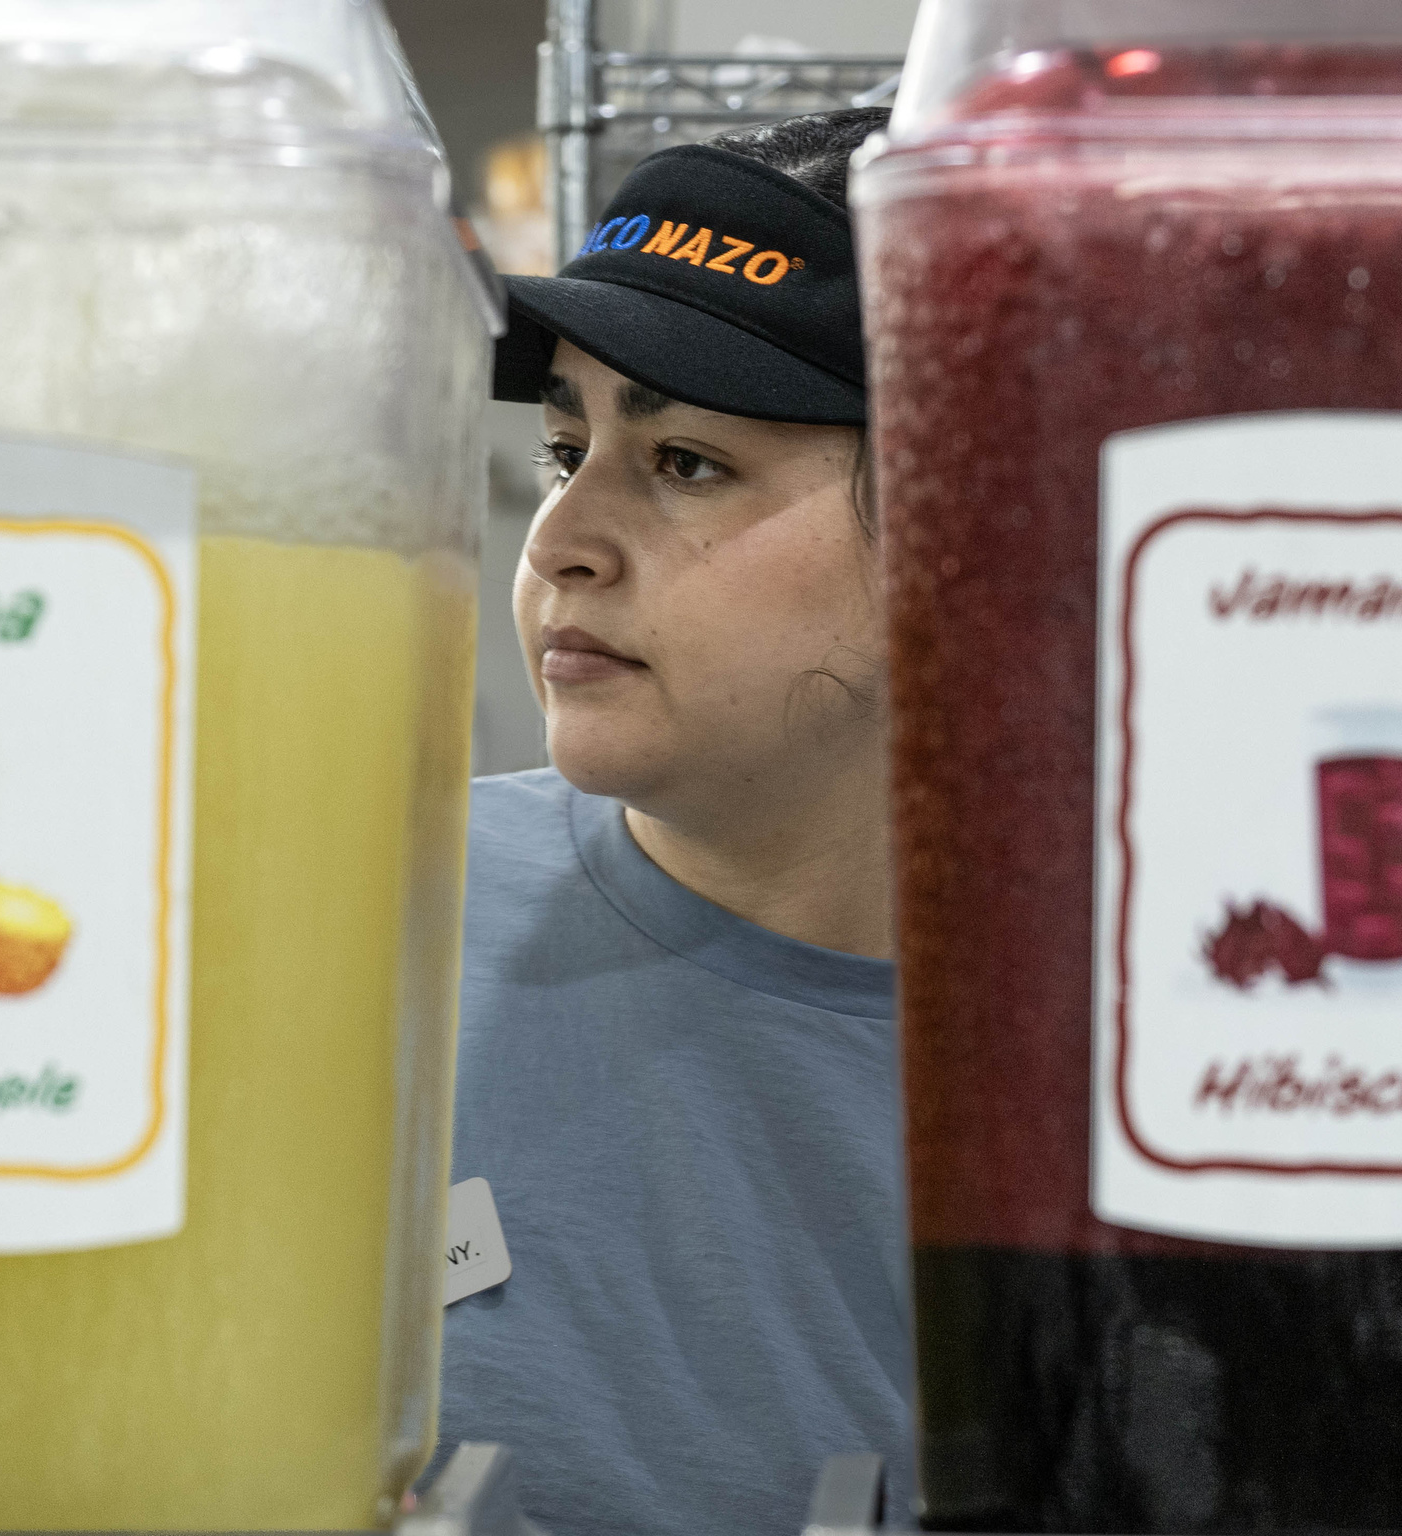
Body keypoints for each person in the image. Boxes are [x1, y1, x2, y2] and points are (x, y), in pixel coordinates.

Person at [437, 106, 908, 1536]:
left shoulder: (1159, 1076)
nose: (560, 537)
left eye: (686, 461)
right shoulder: (364, 926)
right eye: (566, 444)